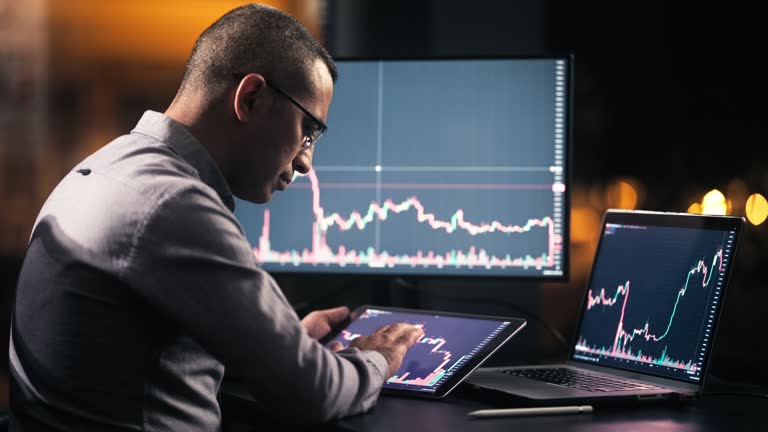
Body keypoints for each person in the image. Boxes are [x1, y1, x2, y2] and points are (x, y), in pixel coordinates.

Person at [8, 4, 424, 430]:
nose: (306, 163)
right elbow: (313, 393)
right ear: (251, 98)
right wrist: (376, 358)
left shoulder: (103, 169)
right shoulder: (174, 206)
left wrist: (275, 344)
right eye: (308, 130)